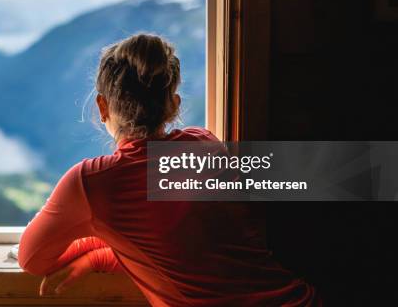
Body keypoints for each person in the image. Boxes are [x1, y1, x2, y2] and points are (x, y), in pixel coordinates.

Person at [18, 33, 318, 306]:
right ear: (173, 105)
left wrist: (98, 248)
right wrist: (105, 250)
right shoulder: (205, 145)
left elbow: (32, 258)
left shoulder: (93, 183)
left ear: (102, 106)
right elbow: (192, 248)